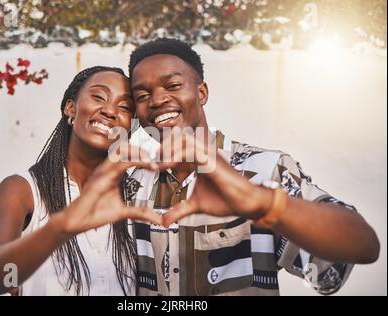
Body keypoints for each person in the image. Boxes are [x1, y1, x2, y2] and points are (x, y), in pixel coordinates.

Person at [125, 38, 380, 296]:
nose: (157, 100)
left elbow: (362, 246)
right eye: (142, 96)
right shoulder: (133, 187)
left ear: (201, 93)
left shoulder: (264, 170)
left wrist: (262, 201)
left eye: (172, 85)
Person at [0, 66, 161, 296]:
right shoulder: (22, 191)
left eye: (124, 107)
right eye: (98, 97)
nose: (110, 111)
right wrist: (60, 227)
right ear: (70, 108)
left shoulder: (134, 196)